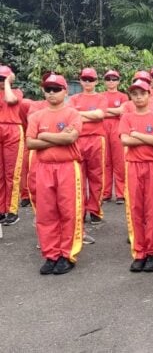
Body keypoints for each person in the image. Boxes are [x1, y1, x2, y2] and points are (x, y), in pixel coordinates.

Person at [26, 74, 83, 275]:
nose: (52, 93)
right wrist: (58, 137)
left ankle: (67, 254)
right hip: (44, 168)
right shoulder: (36, 116)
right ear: (43, 91)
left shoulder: (72, 114)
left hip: (67, 167)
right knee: (46, 212)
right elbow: (30, 143)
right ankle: (50, 254)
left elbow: (71, 138)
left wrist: (43, 136)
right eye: (48, 89)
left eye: (56, 89)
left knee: (68, 211)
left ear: (65, 91)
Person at [119, 79, 153, 273]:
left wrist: (136, 135)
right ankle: (139, 252)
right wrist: (146, 138)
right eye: (135, 94)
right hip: (133, 166)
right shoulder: (126, 117)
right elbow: (124, 140)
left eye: (142, 93)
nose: (138, 97)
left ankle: (152, 252)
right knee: (135, 208)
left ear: (149, 95)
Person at [68, 68, 108, 224]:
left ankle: (95, 210)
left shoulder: (101, 98)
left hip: (96, 140)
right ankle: (81, 210)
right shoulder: (73, 98)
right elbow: (70, 116)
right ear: (80, 80)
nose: (87, 82)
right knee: (78, 176)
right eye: (85, 79)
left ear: (96, 81)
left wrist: (79, 115)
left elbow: (99, 115)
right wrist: (89, 116)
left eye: (91, 79)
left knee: (96, 176)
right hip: (77, 140)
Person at [0, 66, 24, 226]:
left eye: (4, 78)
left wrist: (8, 83)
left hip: (13, 130)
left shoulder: (16, 92)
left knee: (12, 173)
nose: (1, 81)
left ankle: (12, 210)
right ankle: (1, 209)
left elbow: (10, 100)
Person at [101, 70, 128, 204]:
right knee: (105, 160)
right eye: (108, 79)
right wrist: (113, 112)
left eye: (114, 79)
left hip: (117, 127)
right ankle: (105, 193)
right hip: (102, 128)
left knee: (119, 161)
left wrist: (105, 111)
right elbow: (98, 113)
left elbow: (122, 111)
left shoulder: (123, 96)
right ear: (104, 81)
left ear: (118, 81)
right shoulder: (100, 96)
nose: (111, 81)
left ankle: (120, 193)